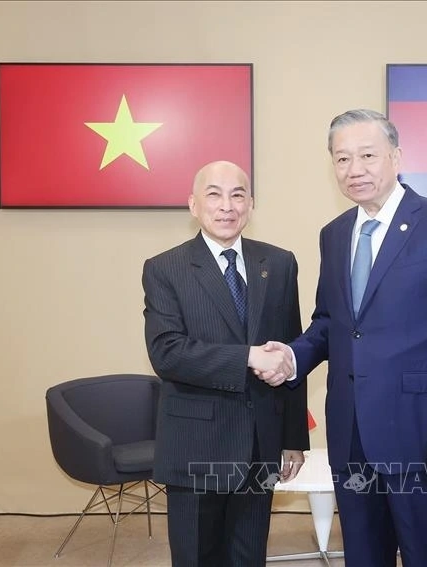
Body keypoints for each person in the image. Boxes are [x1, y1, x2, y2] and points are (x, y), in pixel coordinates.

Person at [259, 109, 427, 566]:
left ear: (396, 157)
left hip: (419, 431)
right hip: (350, 430)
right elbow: (330, 323)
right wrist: (292, 357)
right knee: (363, 554)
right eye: (342, 159)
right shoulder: (335, 234)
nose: (354, 169)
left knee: (426, 553)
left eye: (367, 155)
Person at [142, 160, 309, 567]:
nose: (227, 206)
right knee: (198, 557)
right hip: (196, 445)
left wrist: (293, 438)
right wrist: (248, 356)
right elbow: (167, 352)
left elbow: (291, 351)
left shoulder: (279, 263)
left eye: (237, 195)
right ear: (193, 204)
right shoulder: (165, 268)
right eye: (214, 195)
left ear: (250, 204)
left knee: (249, 557)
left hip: (260, 444)